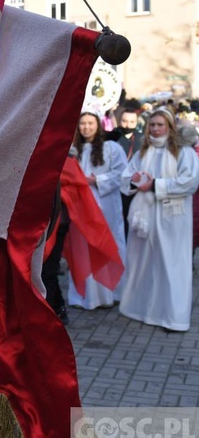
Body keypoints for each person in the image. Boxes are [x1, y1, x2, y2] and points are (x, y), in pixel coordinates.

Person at [119, 108, 199, 332]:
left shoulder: (183, 152)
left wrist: (154, 185)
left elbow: (190, 182)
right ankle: (142, 309)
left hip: (172, 217)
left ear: (170, 127)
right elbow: (126, 176)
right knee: (143, 262)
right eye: (152, 125)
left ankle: (173, 316)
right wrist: (135, 180)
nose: (155, 129)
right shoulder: (143, 151)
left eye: (160, 125)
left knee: (171, 265)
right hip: (144, 218)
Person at [67, 109, 128, 309]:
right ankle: (84, 296)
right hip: (80, 208)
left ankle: (111, 292)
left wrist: (96, 180)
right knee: (82, 247)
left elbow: (121, 173)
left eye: (90, 123)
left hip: (106, 205)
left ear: (98, 126)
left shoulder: (112, 148)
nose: (86, 127)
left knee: (107, 244)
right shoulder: (72, 149)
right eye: (82, 123)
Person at [116, 108, 144, 237]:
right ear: (119, 121)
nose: (128, 125)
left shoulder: (142, 139)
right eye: (124, 121)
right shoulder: (112, 137)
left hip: (133, 187)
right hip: (114, 186)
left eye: (132, 122)